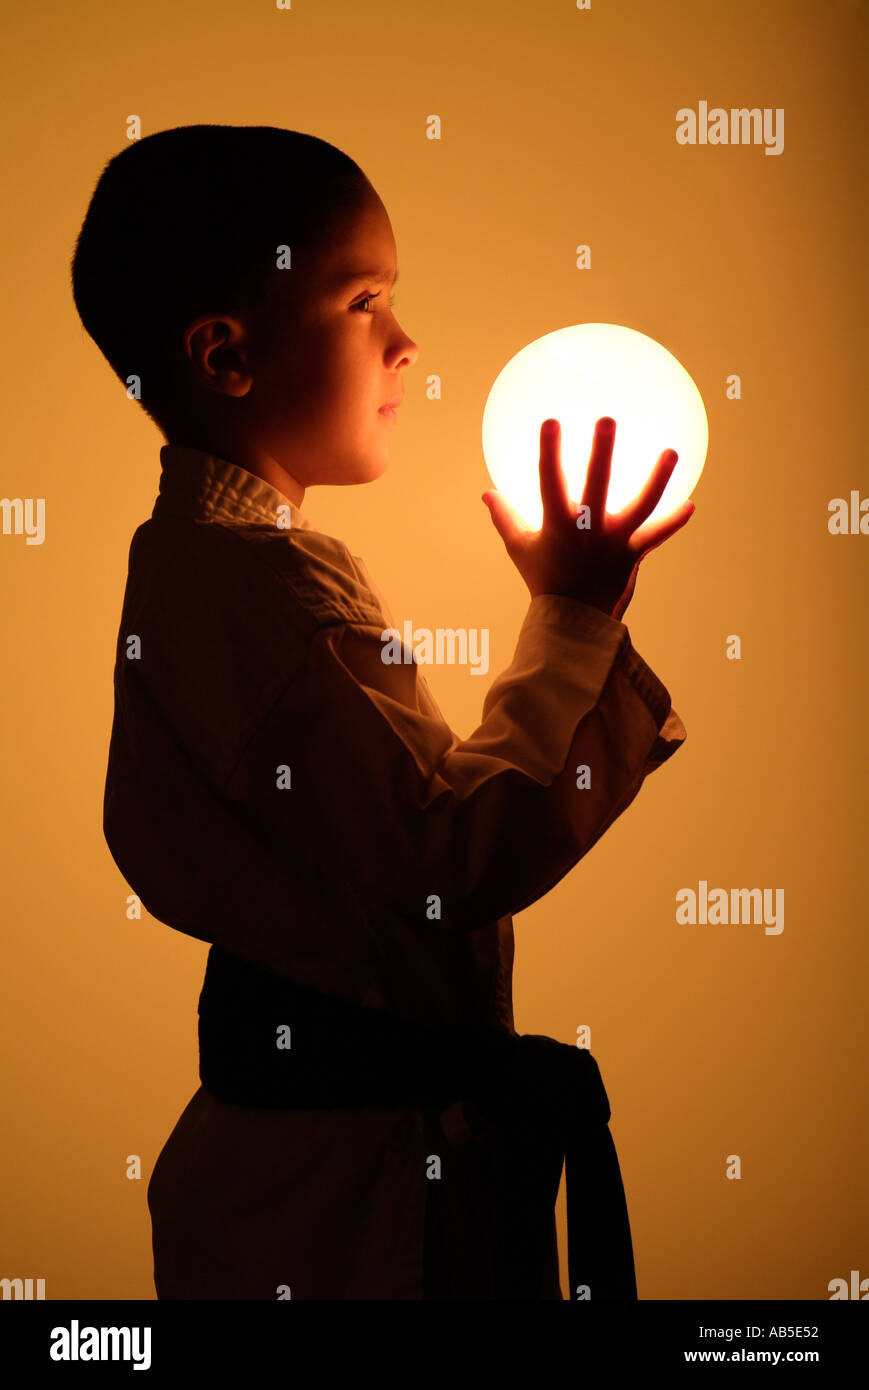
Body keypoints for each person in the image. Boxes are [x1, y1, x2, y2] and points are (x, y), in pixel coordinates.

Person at [71, 124, 694, 1301]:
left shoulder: (222, 574)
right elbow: (444, 856)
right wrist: (571, 620)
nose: (407, 344)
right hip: (343, 1211)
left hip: (316, 1179)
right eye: (366, 300)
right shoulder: (256, 591)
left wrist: (577, 617)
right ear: (225, 356)